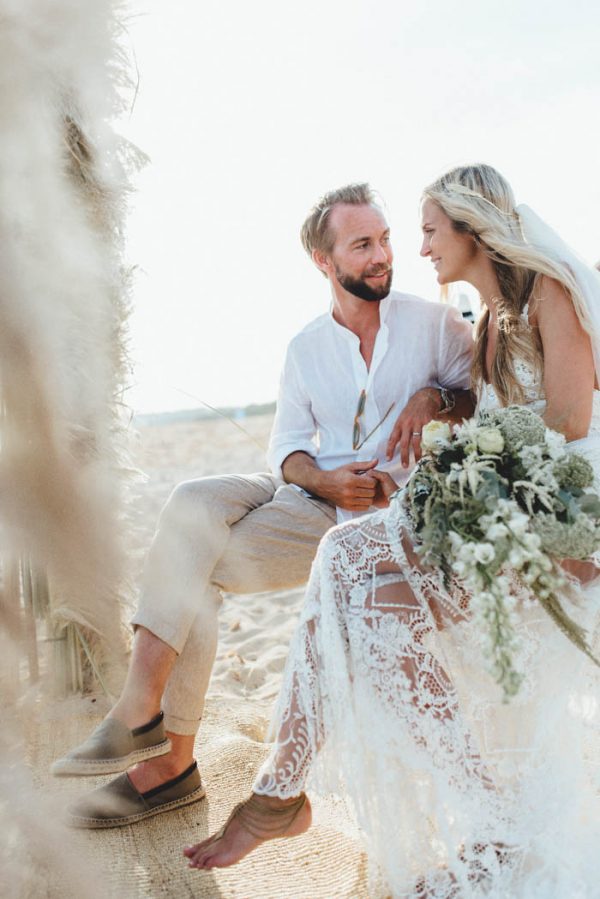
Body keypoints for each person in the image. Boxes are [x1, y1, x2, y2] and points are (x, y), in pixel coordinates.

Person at [185, 165, 600, 898]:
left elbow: (568, 418)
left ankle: (282, 792)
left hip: (561, 518)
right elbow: (476, 407)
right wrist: (437, 406)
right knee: (369, 599)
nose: (420, 247)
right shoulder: (488, 324)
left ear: (472, 228)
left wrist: (465, 449)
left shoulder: (550, 291)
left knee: (348, 557)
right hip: (504, 510)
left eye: (430, 230)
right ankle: (486, 815)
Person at [56, 182, 474, 828]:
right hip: (313, 511)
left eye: (386, 239)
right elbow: (287, 452)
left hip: (393, 526)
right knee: (191, 505)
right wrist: (328, 482)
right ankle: (146, 720)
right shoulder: (305, 348)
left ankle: (166, 761)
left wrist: (433, 400)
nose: (383, 255)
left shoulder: (434, 324)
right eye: (362, 244)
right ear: (324, 261)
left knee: (192, 559)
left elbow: (482, 396)